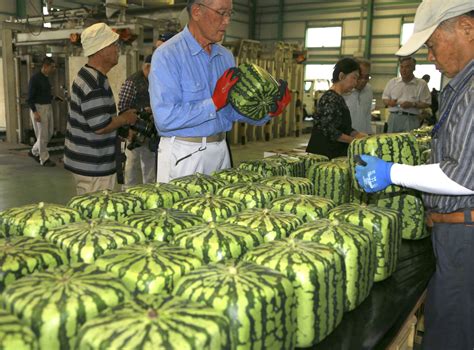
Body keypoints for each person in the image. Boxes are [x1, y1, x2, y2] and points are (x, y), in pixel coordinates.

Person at [354, 1, 473, 349]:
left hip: (465, 236)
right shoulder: (461, 84)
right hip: (455, 228)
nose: (430, 57)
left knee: (452, 333)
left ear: (465, 28)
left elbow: (463, 176)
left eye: (432, 45)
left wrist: (394, 172)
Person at [149, 0, 290, 183]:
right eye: (222, 13)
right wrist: (214, 102)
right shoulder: (167, 55)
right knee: (183, 210)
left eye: (230, 14)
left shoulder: (225, 56)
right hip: (184, 153)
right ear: (197, 11)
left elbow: (230, 111)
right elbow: (164, 118)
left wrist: (268, 112)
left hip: (221, 149)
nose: (227, 21)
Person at [64, 23, 138, 195]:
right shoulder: (93, 83)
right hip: (92, 167)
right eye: (114, 45)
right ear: (101, 50)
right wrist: (126, 118)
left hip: (89, 163)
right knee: (96, 216)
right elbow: (100, 126)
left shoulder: (93, 77)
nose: (117, 49)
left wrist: (120, 127)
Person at [306, 57, 367, 159]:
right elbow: (330, 131)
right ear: (341, 76)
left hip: (333, 153)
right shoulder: (330, 99)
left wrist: (357, 134)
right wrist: (354, 140)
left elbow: (341, 125)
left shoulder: (338, 98)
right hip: (324, 155)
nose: (356, 83)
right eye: (354, 78)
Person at [118, 55, 156, 188]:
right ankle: (128, 192)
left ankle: (149, 191)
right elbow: (123, 107)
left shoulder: (154, 81)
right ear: (147, 67)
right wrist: (142, 111)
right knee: (131, 163)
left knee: (149, 162)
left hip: (149, 129)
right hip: (134, 130)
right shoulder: (132, 82)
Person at [382, 56, 431, 132]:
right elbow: (385, 98)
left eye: (407, 67)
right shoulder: (392, 82)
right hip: (394, 117)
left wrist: (413, 105)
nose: (403, 70)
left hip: (411, 119)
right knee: (391, 142)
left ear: (413, 68)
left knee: (410, 142)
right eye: (401, 67)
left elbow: (427, 103)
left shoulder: (421, 84)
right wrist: (389, 102)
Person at [27, 56, 57, 167]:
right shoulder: (35, 79)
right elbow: (29, 98)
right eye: (52, 67)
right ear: (45, 66)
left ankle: (34, 151)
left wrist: (53, 98)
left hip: (48, 107)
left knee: (48, 133)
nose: (54, 69)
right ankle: (44, 159)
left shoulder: (46, 78)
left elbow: (45, 94)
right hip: (39, 108)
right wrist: (35, 112)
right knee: (42, 135)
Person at [343, 58, 374, 134]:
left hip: (362, 136)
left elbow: (367, 115)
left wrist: (369, 133)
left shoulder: (369, 90)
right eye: (360, 76)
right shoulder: (343, 92)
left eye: (366, 77)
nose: (363, 80)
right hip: (345, 137)